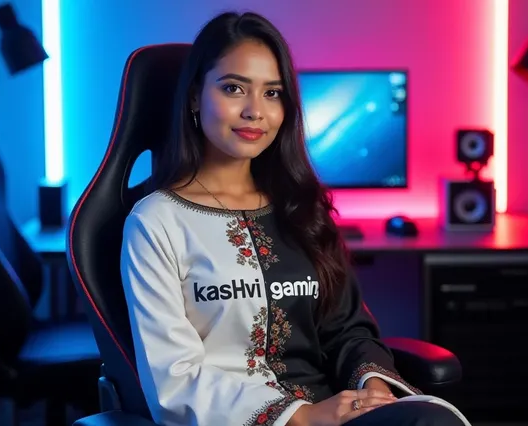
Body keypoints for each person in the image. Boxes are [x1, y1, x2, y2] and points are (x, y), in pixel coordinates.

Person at [120, 11, 469, 426]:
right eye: (234, 88)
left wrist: (374, 389)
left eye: (272, 93)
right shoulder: (156, 222)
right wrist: (303, 415)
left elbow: (347, 329)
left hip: (337, 412)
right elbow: (175, 380)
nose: (255, 111)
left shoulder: (301, 208)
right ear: (195, 97)